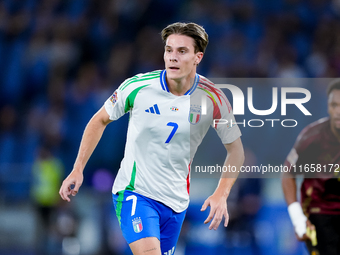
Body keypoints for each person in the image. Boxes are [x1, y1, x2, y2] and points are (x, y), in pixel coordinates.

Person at [59, 22, 244, 255]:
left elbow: (236, 150)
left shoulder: (213, 98)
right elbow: (99, 120)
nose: (172, 57)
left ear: (198, 57)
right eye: (169, 50)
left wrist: (221, 193)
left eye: (182, 51)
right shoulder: (138, 87)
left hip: (176, 202)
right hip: (135, 192)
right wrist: (78, 168)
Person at [282, 80, 340, 255]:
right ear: (328, 108)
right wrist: (297, 218)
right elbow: (287, 174)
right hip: (319, 214)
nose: (338, 111)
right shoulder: (312, 137)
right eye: (334, 105)